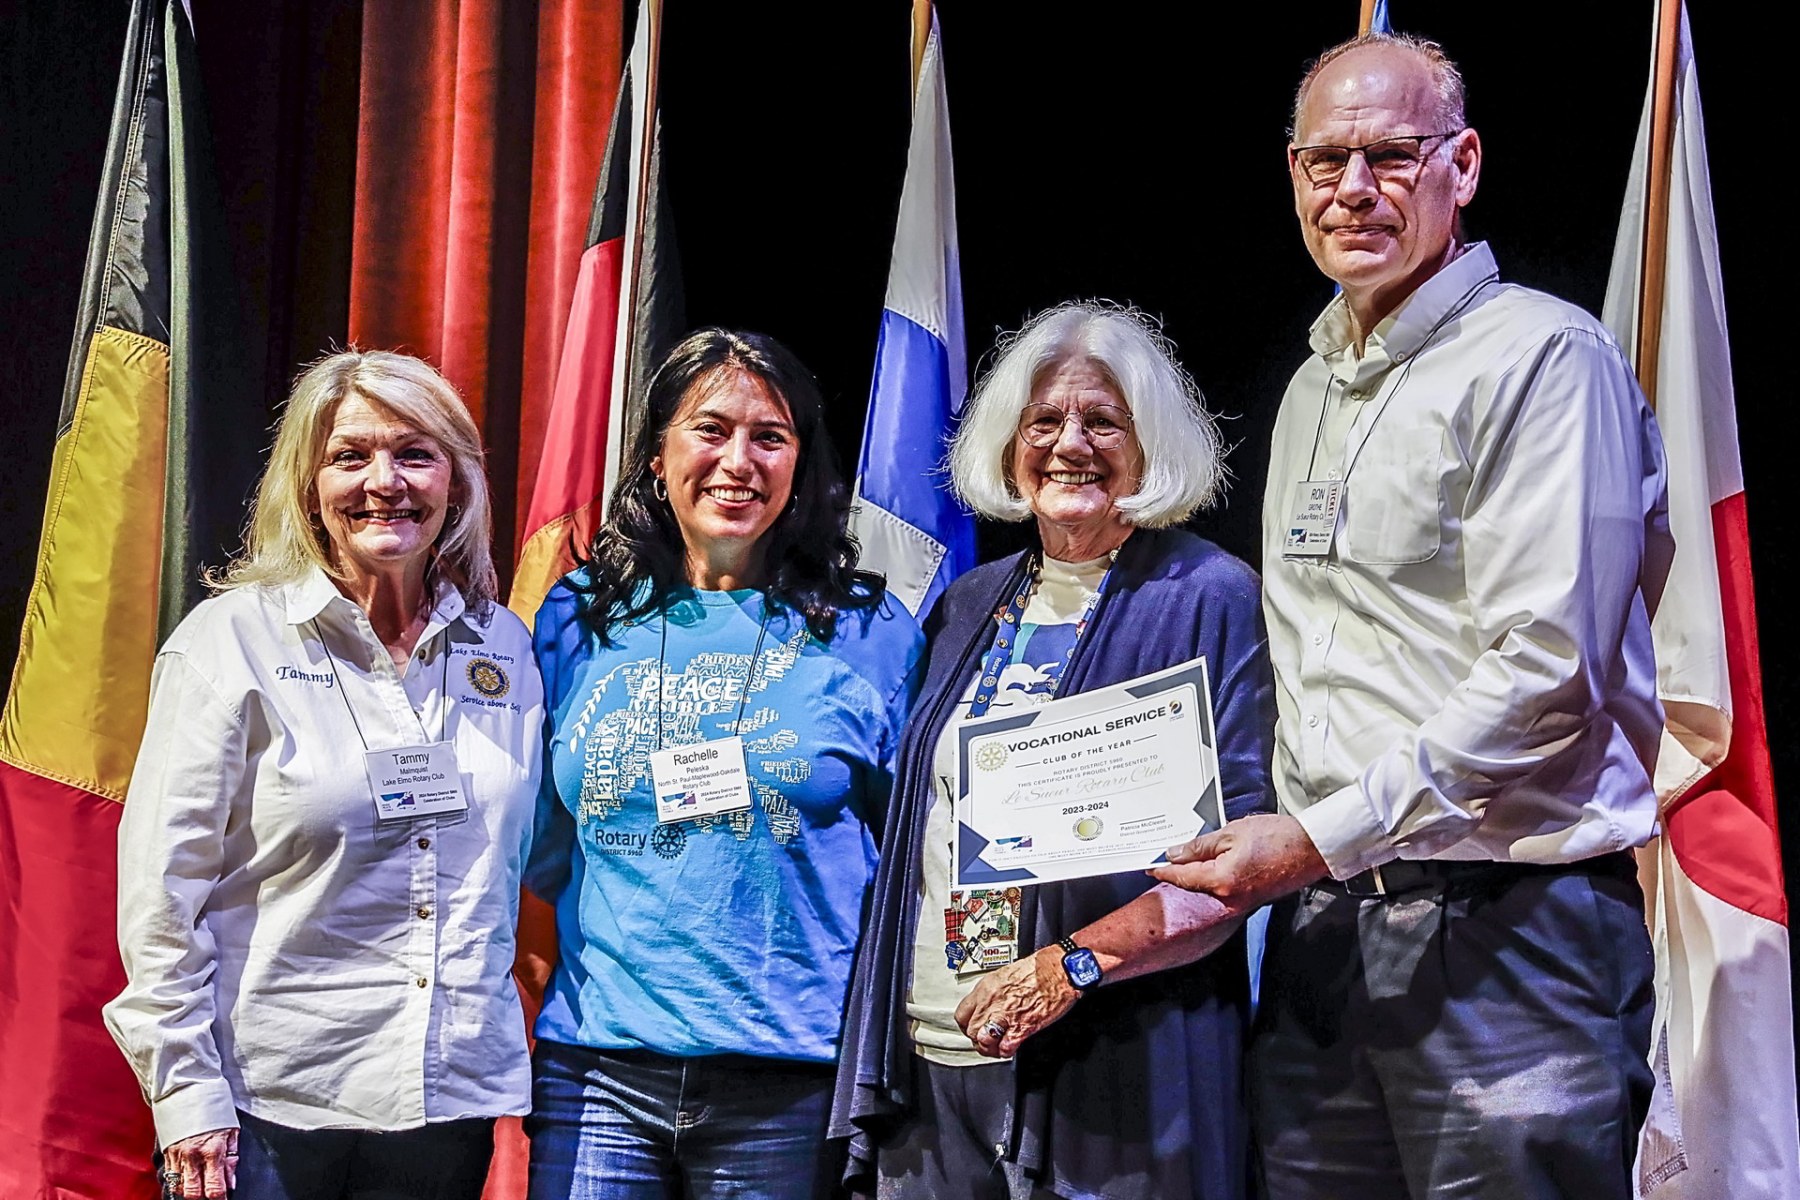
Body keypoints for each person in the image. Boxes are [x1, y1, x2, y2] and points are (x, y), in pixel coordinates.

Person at [1150, 33, 1672, 1200]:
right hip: (1321, 941)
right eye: (1323, 161)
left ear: (1463, 164)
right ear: (1292, 174)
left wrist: (1318, 838)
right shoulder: (1308, 389)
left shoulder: (1544, 357)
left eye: (1390, 155)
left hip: (1512, 935)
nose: (1353, 189)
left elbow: (1551, 671)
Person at [832, 300, 1275, 1200]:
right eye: (1044, 422)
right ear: (1009, 445)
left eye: (1102, 421)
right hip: (934, 1050)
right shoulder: (969, 601)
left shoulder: (1210, 596)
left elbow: (1238, 860)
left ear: (1149, 446)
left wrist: (1071, 965)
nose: (1070, 443)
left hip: (1117, 1065)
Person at [104, 350, 546, 1200]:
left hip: (446, 1103)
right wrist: (185, 1093)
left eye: (414, 454)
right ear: (309, 485)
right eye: (351, 456)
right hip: (270, 1107)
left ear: (456, 480)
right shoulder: (230, 642)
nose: (385, 481)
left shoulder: (504, 646)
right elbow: (161, 894)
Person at [522, 328, 925, 1200]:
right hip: (598, 1073)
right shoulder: (578, 616)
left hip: (791, 1081)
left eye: (769, 437)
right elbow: (545, 843)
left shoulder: (870, 631)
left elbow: (913, 858)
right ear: (658, 455)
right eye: (710, 430)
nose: (738, 461)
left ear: (801, 466)